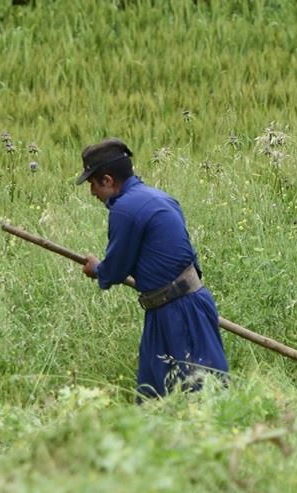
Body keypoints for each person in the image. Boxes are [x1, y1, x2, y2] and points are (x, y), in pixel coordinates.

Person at [76, 138, 228, 397]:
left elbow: (115, 269)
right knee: (162, 396)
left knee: (196, 397)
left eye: (93, 184)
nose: (92, 193)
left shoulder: (125, 210)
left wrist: (97, 270)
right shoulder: (161, 197)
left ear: (108, 180)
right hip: (183, 304)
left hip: (178, 313)